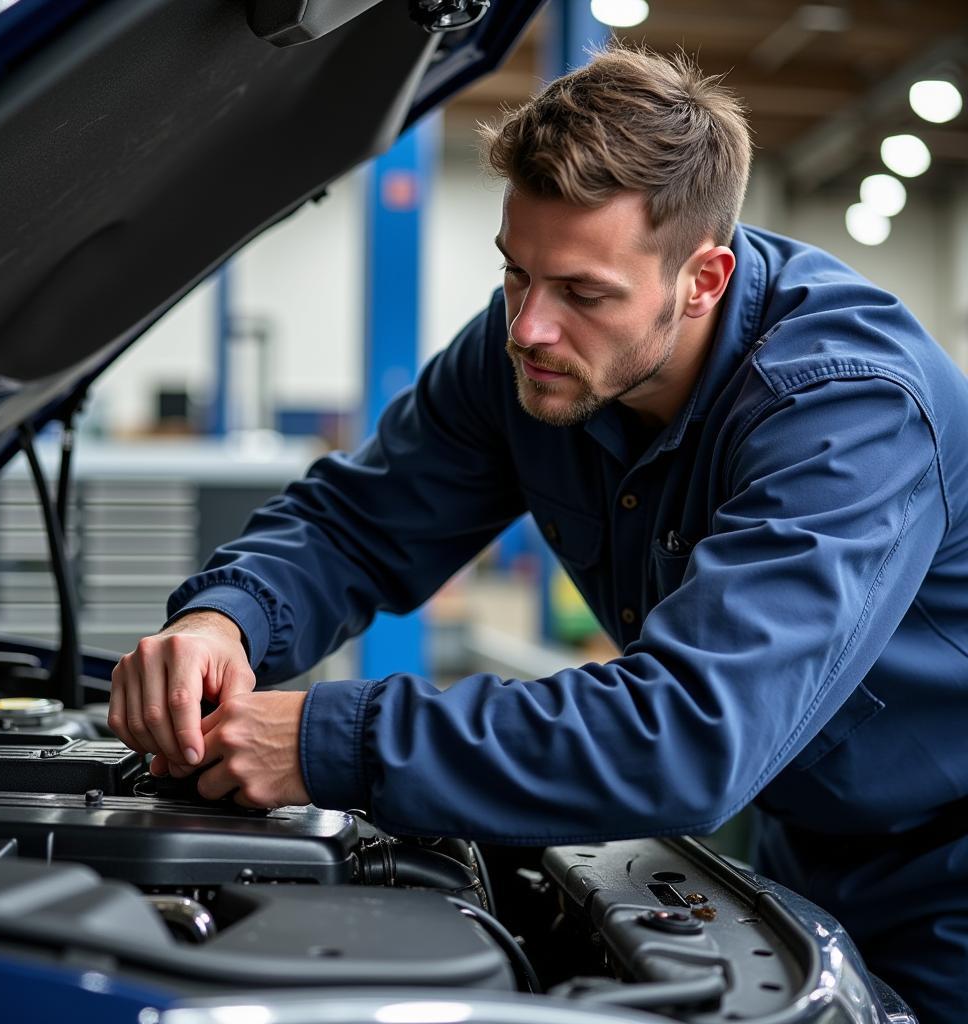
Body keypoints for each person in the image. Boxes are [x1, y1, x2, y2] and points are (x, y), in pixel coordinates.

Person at [109, 45, 968, 1024]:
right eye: (517, 274)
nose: (529, 327)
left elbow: (684, 735)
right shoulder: (525, 351)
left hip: (947, 870)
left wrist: (331, 740)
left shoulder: (848, 412)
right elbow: (356, 520)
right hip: (806, 830)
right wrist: (228, 620)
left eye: (583, 292)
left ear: (703, 277)